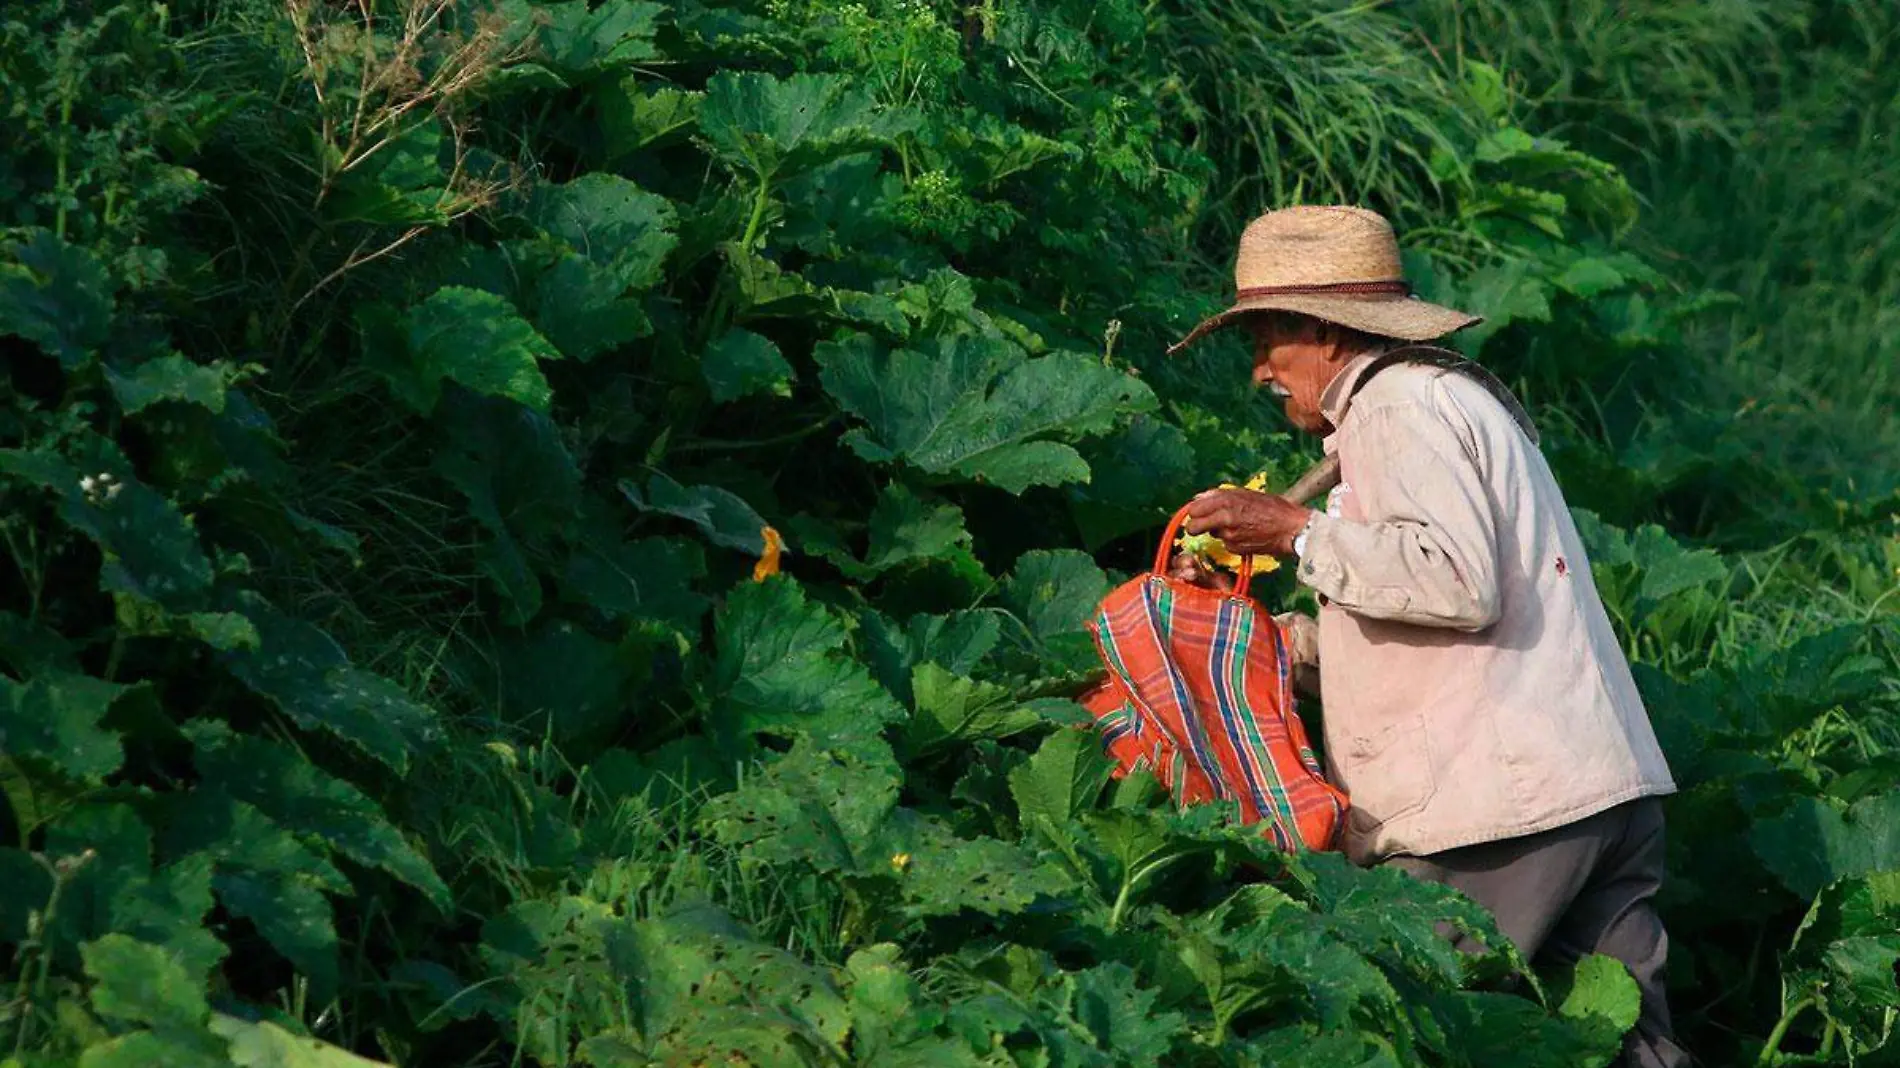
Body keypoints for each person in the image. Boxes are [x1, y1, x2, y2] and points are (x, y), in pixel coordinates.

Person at [1164, 205, 1688, 1068]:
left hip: (1496, 812)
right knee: (1633, 1049)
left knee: (1391, 1023)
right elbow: (1419, 617)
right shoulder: (1440, 399)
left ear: (1327, 331)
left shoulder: (1396, 406)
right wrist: (1262, 638)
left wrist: (1293, 531)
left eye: (1268, 338)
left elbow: (1453, 579)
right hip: (1596, 788)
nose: (1259, 368)